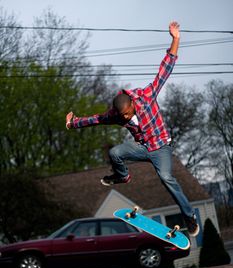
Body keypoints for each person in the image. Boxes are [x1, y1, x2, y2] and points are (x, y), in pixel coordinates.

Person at [65, 22, 199, 237]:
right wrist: (74, 122)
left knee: (166, 178)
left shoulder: (147, 96)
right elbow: (96, 119)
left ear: (133, 105)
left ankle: (189, 215)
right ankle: (122, 176)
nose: (126, 118)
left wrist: (175, 39)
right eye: (123, 117)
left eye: (128, 114)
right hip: (141, 147)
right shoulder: (116, 114)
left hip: (161, 146)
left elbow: (165, 69)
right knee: (115, 152)